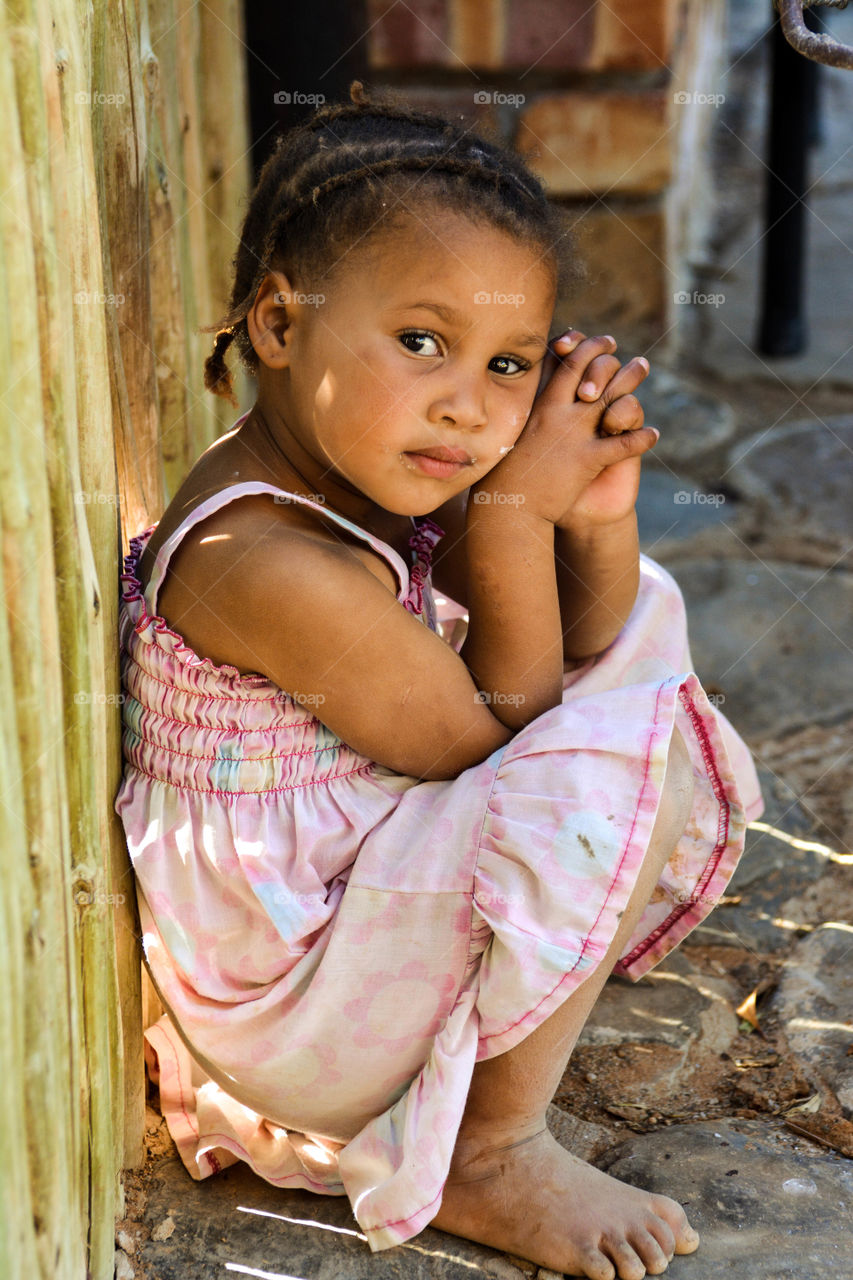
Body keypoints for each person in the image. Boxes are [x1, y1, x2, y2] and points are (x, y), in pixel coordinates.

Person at [115, 83, 763, 1280]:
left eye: (509, 362)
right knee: (611, 762)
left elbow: (583, 635)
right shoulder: (254, 560)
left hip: (351, 897)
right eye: (420, 341)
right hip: (292, 997)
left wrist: (595, 516)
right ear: (277, 322)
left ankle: (508, 1023)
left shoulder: (360, 462)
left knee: (643, 631)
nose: (468, 404)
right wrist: (517, 511)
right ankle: (488, 1143)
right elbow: (498, 741)